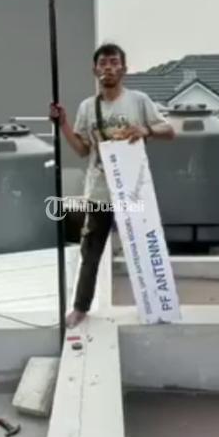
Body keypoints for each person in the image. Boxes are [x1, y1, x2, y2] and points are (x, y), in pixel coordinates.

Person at [49, 42, 175, 328]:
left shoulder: (139, 101)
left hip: (133, 190)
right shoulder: (87, 107)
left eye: (114, 62)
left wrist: (146, 129)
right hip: (99, 193)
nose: (108, 67)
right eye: (103, 63)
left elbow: (169, 131)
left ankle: (158, 305)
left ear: (124, 69)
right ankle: (80, 308)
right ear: (95, 70)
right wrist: (63, 124)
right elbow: (82, 150)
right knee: (90, 253)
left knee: (146, 249)